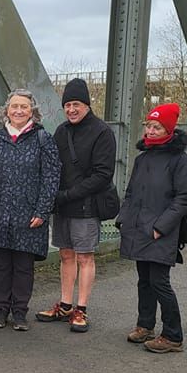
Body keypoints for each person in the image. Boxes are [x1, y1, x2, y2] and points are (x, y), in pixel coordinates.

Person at [35, 78, 116, 332]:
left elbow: (102, 175)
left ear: (87, 105)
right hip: (63, 206)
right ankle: (66, 304)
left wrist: (68, 195)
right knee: (66, 254)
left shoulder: (102, 132)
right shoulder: (61, 131)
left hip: (86, 206)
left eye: (76, 104)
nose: (71, 109)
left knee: (84, 257)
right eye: (68, 104)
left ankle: (81, 309)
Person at [0, 88, 60, 331]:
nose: (19, 111)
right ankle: (0, 309)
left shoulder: (43, 139)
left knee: (23, 265)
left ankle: (20, 312)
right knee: (2, 265)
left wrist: (42, 211)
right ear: (7, 110)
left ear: (32, 110)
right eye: (15, 106)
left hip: (29, 213)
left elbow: (51, 178)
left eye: (24, 106)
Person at [116, 103, 187, 353]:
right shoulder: (143, 158)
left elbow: (184, 198)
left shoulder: (180, 160)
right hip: (139, 228)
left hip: (161, 231)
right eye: (148, 126)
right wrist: (123, 218)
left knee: (159, 282)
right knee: (144, 281)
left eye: (156, 127)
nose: (150, 131)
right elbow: (131, 193)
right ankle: (145, 325)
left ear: (169, 129)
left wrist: (161, 227)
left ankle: (173, 336)